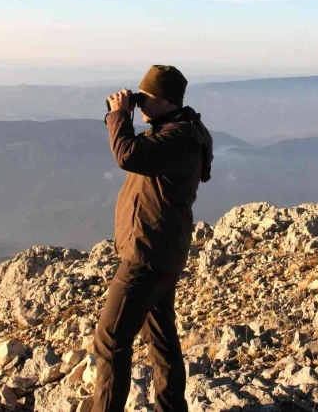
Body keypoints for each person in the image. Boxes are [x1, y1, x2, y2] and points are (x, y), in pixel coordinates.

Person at [93, 65, 214, 412]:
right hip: (161, 250)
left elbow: (126, 155)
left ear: (163, 100)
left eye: (145, 98)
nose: (140, 104)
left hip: (146, 255)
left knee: (110, 340)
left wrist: (119, 116)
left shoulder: (177, 137)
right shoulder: (180, 130)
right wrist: (124, 117)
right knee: (161, 339)